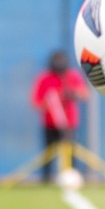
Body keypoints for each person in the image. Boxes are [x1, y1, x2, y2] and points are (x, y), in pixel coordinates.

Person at [30, 49, 88, 183]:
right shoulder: (44, 78)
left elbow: (84, 94)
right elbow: (36, 102)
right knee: (48, 154)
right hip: (50, 124)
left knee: (71, 152)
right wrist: (51, 101)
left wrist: (72, 94)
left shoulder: (71, 76)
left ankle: (72, 177)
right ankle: (46, 180)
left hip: (69, 124)